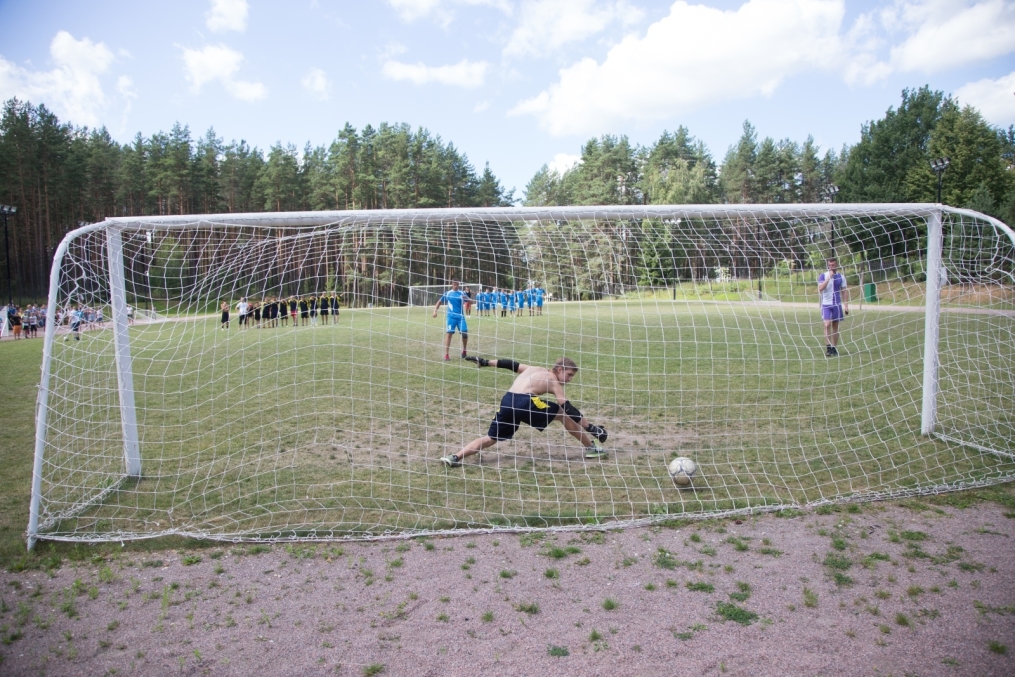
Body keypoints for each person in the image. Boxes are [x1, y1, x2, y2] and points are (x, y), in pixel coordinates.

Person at [440, 356, 608, 467]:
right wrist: (591, 427)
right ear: (559, 369)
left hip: (507, 401)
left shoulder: (534, 369)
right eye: (569, 375)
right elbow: (568, 408)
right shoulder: (553, 381)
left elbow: (511, 365)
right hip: (525, 402)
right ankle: (590, 448)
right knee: (564, 414)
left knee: (491, 438)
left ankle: (455, 457)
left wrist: (486, 362)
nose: (570, 379)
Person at [818, 257, 849, 356]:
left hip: (837, 305)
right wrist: (829, 278)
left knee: (835, 326)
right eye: (829, 265)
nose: (831, 267)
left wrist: (846, 305)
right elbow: (820, 288)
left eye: (833, 265)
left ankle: (834, 348)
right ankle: (828, 347)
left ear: (836, 265)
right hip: (826, 305)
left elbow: (844, 291)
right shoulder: (823, 275)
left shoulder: (841, 277)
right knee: (827, 324)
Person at [432, 280, 470, 361]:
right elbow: (439, 302)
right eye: (454, 284)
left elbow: (471, 301)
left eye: (457, 284)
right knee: (449, 334)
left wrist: (467, 298)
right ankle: (446, 355)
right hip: (451, 317)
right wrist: (435, 311)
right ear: (452, 285)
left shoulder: (462, 293)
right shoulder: (448, 293)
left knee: (464, 334)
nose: (456, 286)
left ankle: (464, 350)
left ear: (459, 285)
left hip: (460, 317)